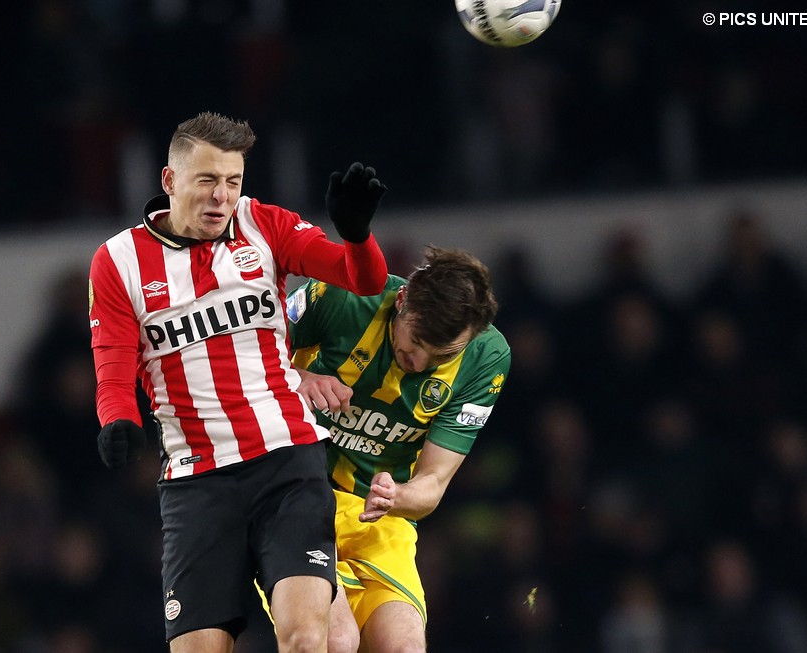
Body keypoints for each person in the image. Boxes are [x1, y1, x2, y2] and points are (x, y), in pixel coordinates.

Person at [88, 111, 389, 653]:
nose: (221, 197)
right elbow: (112, 365)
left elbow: (361, 279)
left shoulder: (264, 224)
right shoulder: (118, 260)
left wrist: (358, 237)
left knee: (306, 638)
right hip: (196, 482)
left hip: (287, 461)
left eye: (232, 181)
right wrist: (118, 421)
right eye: (207, 180)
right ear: (170, 180)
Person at [287, 246, 512, 652]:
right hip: (290, 495)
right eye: (417, 340)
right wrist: (296, 378)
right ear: (403, 299)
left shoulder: (486, 358)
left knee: (404, 647)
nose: (420, 362)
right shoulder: (343, 294)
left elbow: (433, 484)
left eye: (443, 354)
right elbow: (235, 361)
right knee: (338, 640)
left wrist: (398, 496)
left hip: (377, 519)